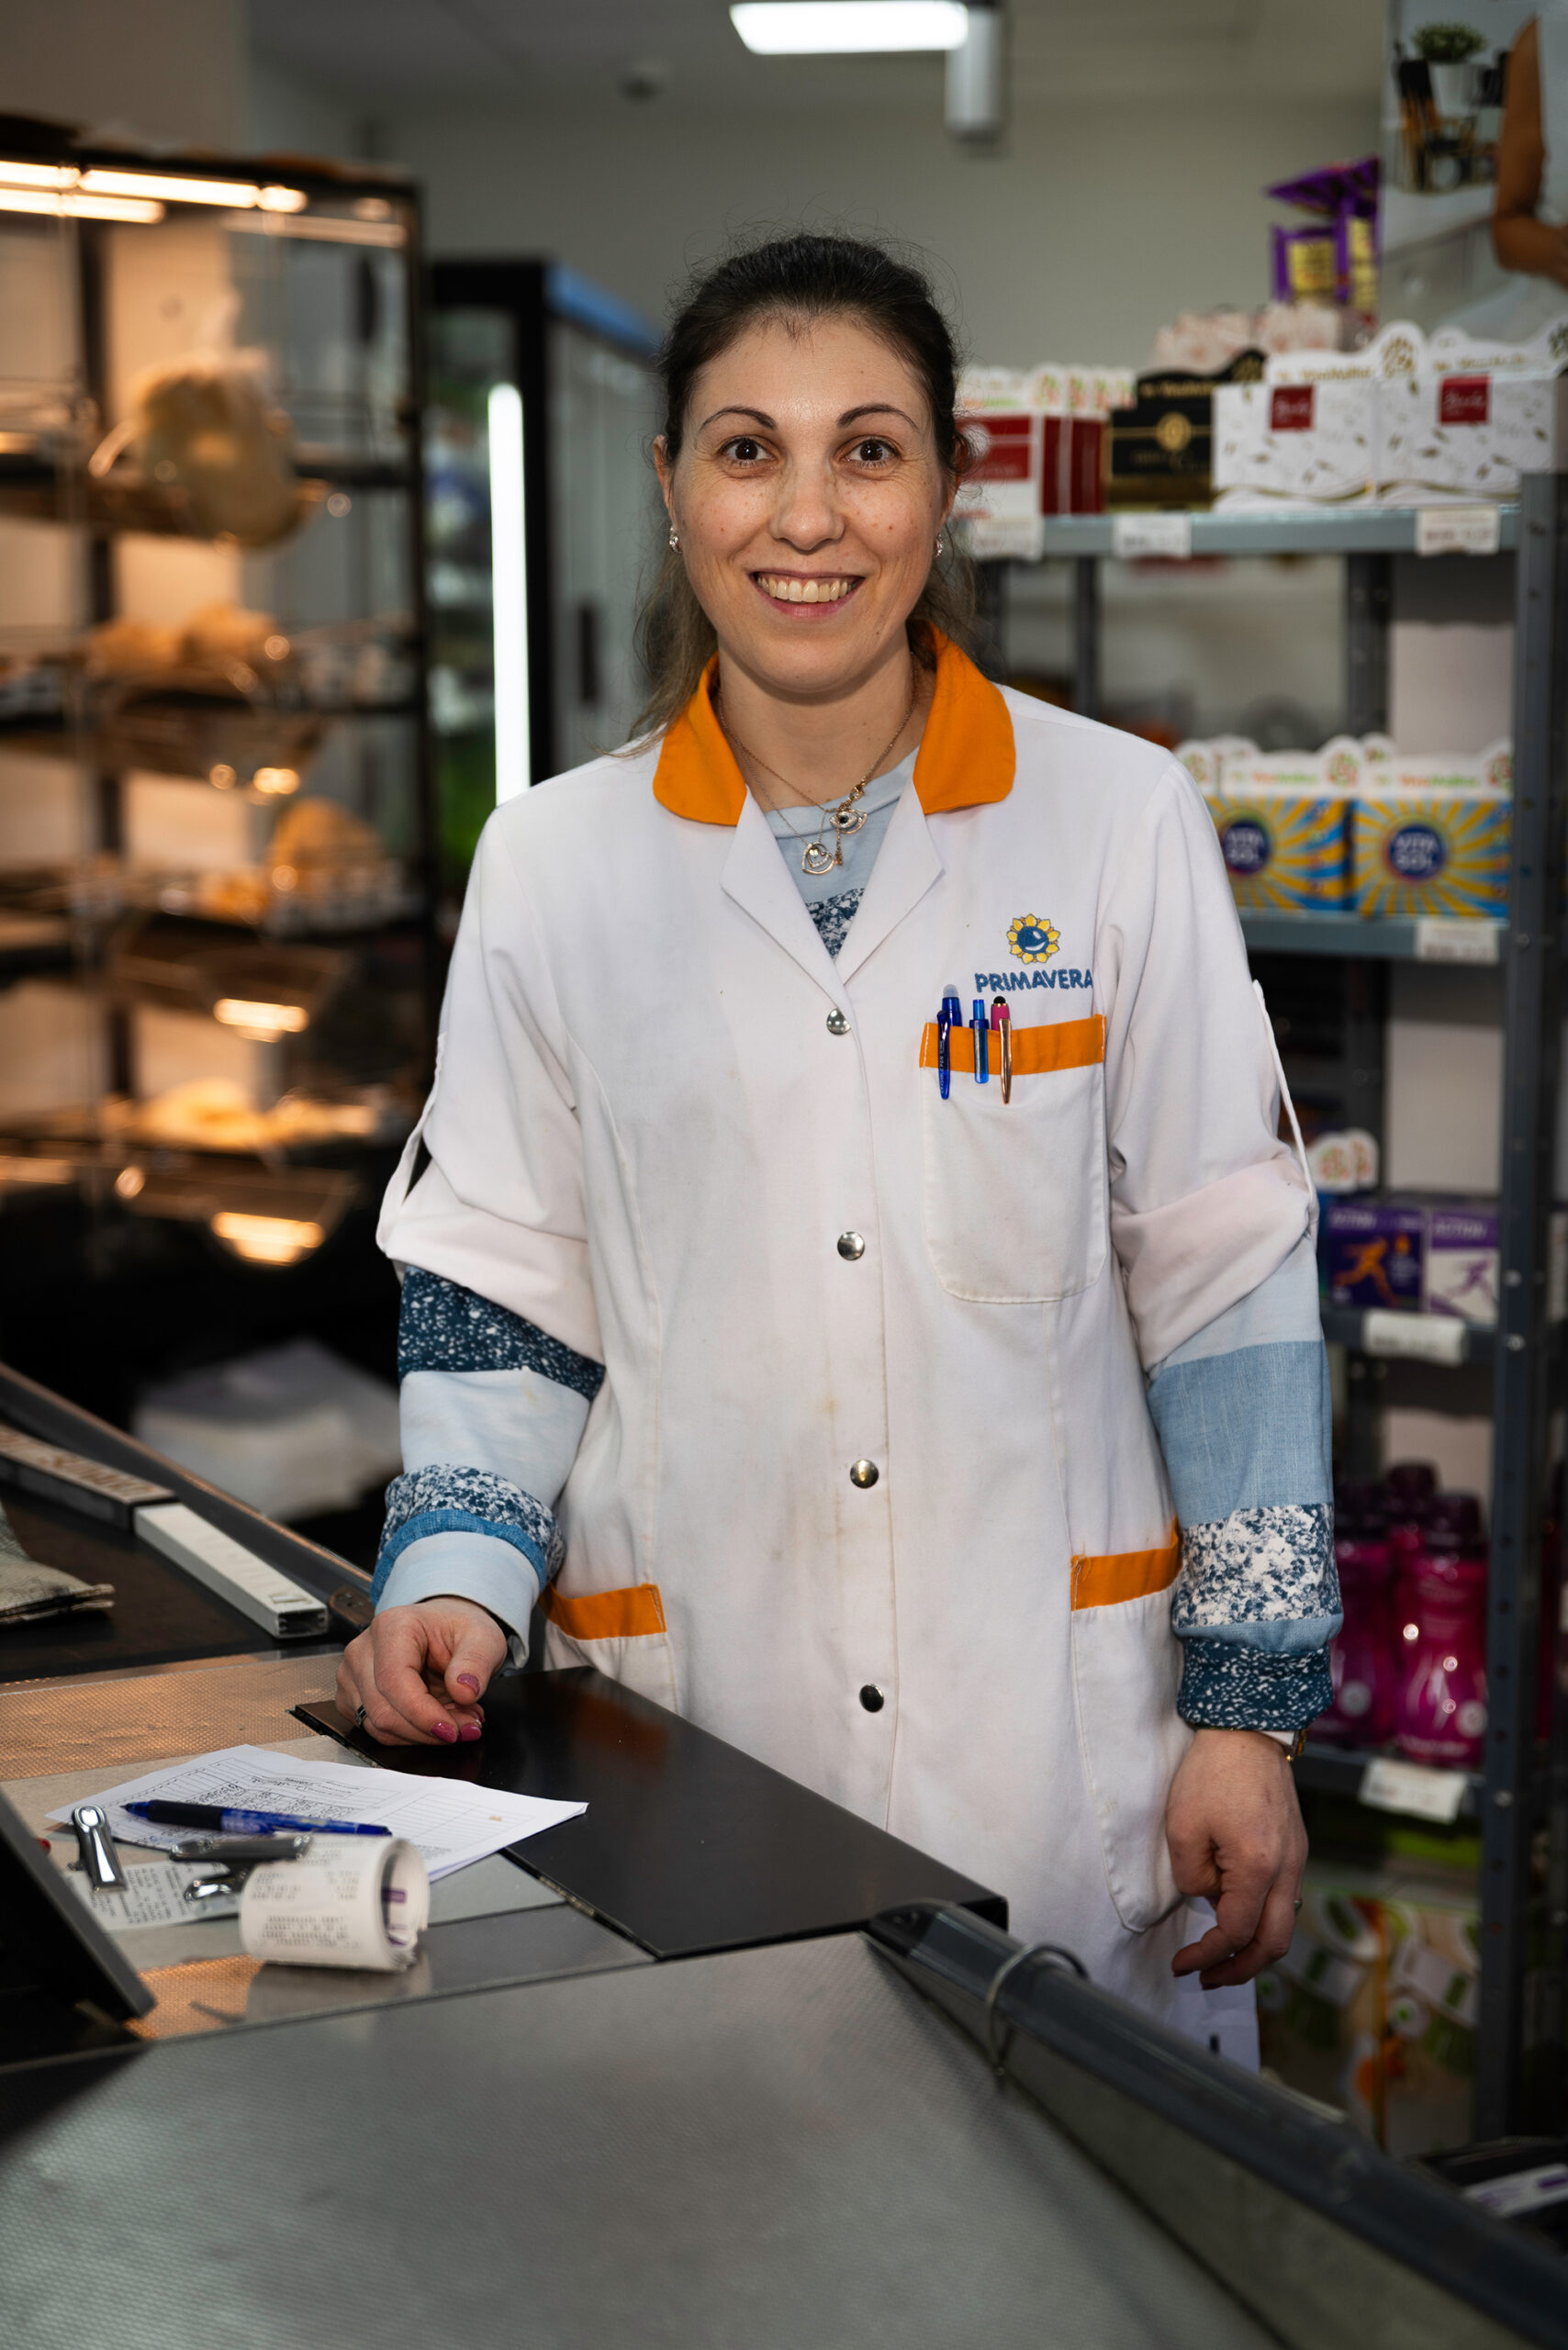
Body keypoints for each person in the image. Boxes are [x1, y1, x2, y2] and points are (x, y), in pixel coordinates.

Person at [338, 232, 1334, 2036]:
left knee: (1068, 2199)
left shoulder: (1115, 820)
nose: (807, 516)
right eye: (748, 450)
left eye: (867, 449)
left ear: (948, 486)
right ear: (672, 487)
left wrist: (1245, 1706)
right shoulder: (553, 863)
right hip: (697, 1726)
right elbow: (502, 1281)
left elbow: (1226, 1277)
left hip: (1054, 1749)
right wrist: (457, 1576)